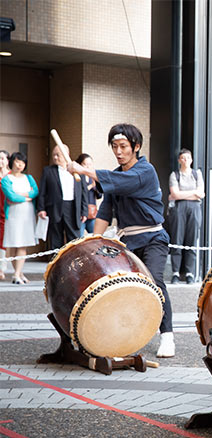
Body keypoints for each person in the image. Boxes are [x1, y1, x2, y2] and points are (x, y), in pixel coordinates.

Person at [67, 123, 175, 358]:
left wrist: (82, 169)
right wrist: (93, 242)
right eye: (115, 146)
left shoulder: (145, 171)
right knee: (115, 284)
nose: (118, 151)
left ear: (136, 147)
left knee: (155, 280)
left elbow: (123, 183)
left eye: (124, 146)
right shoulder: (115, 177)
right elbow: (105, 212)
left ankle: (167, 335)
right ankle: (120, 336)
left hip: (153, 237)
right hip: (128, 242)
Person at [37, 146, 87, 250]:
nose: (55, 157)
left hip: (73, 207)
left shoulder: (76, 170)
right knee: (55, 238)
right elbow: (42, 191)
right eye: (53, 155)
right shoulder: (48, 171)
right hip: (54, 207)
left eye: (58, 155)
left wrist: (84, 211)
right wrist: (41, 209)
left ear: (66, 154)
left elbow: (83, 192)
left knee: (74, 238)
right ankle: (55, 264)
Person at [168, 148, 204, 284]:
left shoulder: (197, 174)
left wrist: (184, 194)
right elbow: (175, 194)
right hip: (179, 208)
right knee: (177, 238)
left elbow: (201, 193)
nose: (185, 161)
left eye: (188, 158)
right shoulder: (175, 175)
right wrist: (193, 193)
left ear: (191, 160)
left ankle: (190, 273)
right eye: (183, 158)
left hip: (194, 208)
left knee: (192, 239)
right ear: (179, 160)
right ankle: (175, 273)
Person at [1, 152, 38, 284]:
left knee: (22, 245)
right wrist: (26, 197)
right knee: (12, 245)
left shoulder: (29, 178)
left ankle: (17, 274)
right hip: (13, 216)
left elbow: (35, 191)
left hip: (27, 215)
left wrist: (21, 195)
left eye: (22, 162)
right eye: (17, 161)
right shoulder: (6, 179)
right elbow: (11, 196)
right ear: (12, 162)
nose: (20, 164)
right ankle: (19, 273)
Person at [76, 154, 102, 236]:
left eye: (90, 164)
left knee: (96, 237)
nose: (88, 167)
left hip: (92, 212)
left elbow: (99, 196)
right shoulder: (77, 177)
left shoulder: (93, 177)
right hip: (81, 213)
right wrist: (90, 186)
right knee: (79, 238)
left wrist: (96, 187)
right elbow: (79, 193)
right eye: (85, 164)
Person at [0, 149, 10, 280]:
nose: (0, 161)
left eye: (2, 158)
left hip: (7, 212)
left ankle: (2, 269)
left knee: (3, 241)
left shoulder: (11, 176)